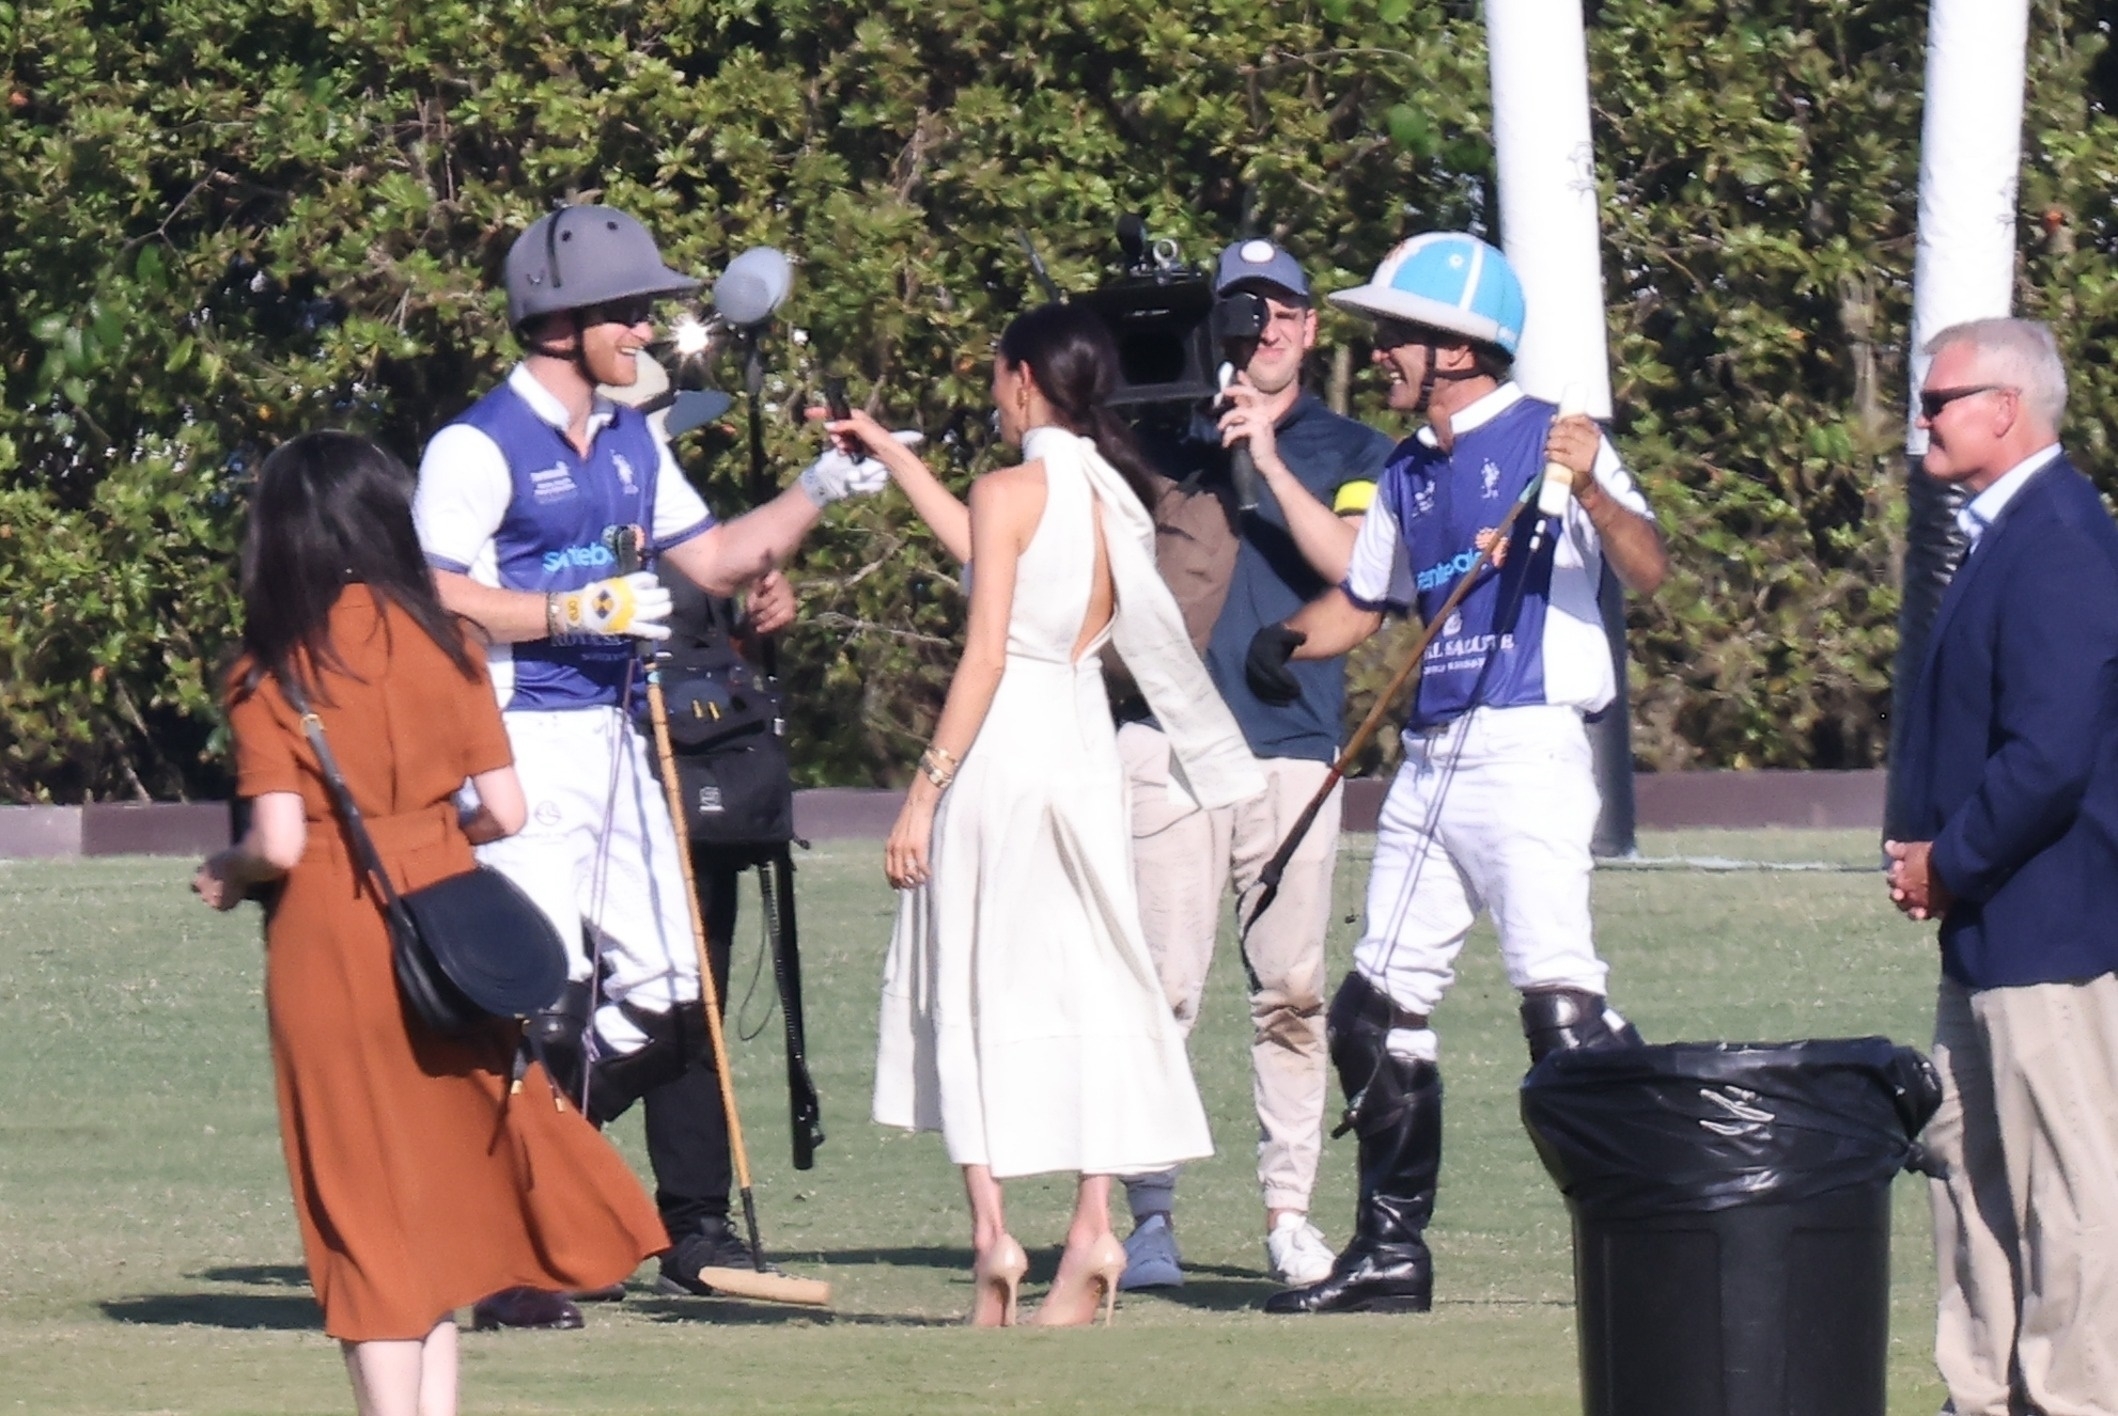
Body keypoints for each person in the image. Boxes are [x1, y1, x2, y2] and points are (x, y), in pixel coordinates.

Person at [411, 204, 880, 1323]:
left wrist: (816, 491)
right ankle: (508, 1255)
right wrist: (567, 606)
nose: (647, 330)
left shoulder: (632, 439)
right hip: (517, 741)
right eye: (628, 312)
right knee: (533, 999)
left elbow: (714, 559)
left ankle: (529, 1171)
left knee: (672, 996)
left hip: (618, 736)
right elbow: (431, 593)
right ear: (561, 323)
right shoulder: (476, 446)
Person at [192, 431, 665, 1416]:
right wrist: (423, 833)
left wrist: (227, 875)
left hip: (333, 941)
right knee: (442, 1202)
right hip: (448, 934)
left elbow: (277, 842)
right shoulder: (451, 642)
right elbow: (505, 810)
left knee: (360, 1208)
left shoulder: (269, 669)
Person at [1245, 233, 1667, 1315]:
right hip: (1430, 761)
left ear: (1460, 352)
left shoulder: (1550, 438)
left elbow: (1650, 567)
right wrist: (1288, 640)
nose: (1380, 351)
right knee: (1369, 1017)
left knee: (1561, 1013)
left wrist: (1590, 493)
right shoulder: (1403, 469)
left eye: (1399, 335)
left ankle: (1665, 1211)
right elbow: (1366, 602)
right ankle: (1391, 1255)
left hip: (1527, 750)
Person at [838, 303, 1265, 1326]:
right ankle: (1092, 1224)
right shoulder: (1108, 493)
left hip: (1005, 744)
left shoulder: (1010, 487)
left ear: (1024, 380)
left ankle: (993, 1232)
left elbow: (987, 648)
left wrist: (922, 791)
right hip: (1081, 744)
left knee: (970, 966)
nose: (992, 392)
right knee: (1096, 974)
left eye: (995, 376)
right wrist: (893, 456)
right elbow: (998, 555)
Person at [1110, 239, 1396, 1291]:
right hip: (1168, 743)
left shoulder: (1353, 443)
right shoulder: (1154, 435)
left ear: (1313, 328)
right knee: (1160, 990)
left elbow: (1360, 575)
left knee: (1291, 992)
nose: (1263, 332)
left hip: (1291, 749)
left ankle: (1288, 1214)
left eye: (1282, 314)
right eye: (1243, 315)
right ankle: (1148, 1220)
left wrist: (1266, 461)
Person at [1884, 317, 2118, 1416]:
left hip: (2053, 924)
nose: (1920, 419)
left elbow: (2050, 756)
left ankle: (2073, 1400)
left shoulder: (2061, 533)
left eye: (1938, 401)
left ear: (2006, 408)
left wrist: (1948, 859)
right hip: (1988, 927)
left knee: (2068, 1193)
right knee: (1967, 1169)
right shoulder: (2001, 531)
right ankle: (1984, 1394)